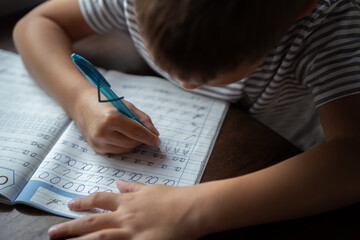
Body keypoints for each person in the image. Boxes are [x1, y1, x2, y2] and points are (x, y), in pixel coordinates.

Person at [13, 0, 360, 239]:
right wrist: (81, 99)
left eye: (212, 73)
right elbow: (36, 23)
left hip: (295, 155)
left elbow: (351, 158)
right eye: (165, 61)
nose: (187, 84)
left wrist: (193, 208)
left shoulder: (331, 27)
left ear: (303, 7)